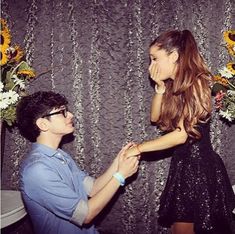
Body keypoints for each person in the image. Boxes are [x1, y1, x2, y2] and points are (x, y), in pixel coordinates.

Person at [125, 30, 235, 234]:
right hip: (184, 165)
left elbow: (181, 134)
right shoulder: (176, 86)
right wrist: (159, 88)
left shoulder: (196, 82)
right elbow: (155, 118)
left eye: (155, 59)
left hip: (199, 168)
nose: (151, 66)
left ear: (174, 56)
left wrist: (139, 148)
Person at [16, 91, 139, 234]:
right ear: (43, 124)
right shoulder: (37, 170)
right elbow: (85, 215)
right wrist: (120, 176)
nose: (70, 115)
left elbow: (93, 188)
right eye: (62, 112)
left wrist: (118, 161)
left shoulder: (60, 155)